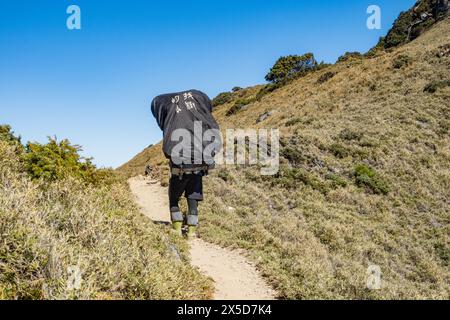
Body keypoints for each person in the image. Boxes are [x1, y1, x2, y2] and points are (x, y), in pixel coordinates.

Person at [151, 90, 221, 237]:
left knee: (174, 195)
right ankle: (191, 231)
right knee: (194, 192)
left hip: (180, 162)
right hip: (199, 158)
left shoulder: (166, 105)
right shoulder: (196, 100)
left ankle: (176, 228)